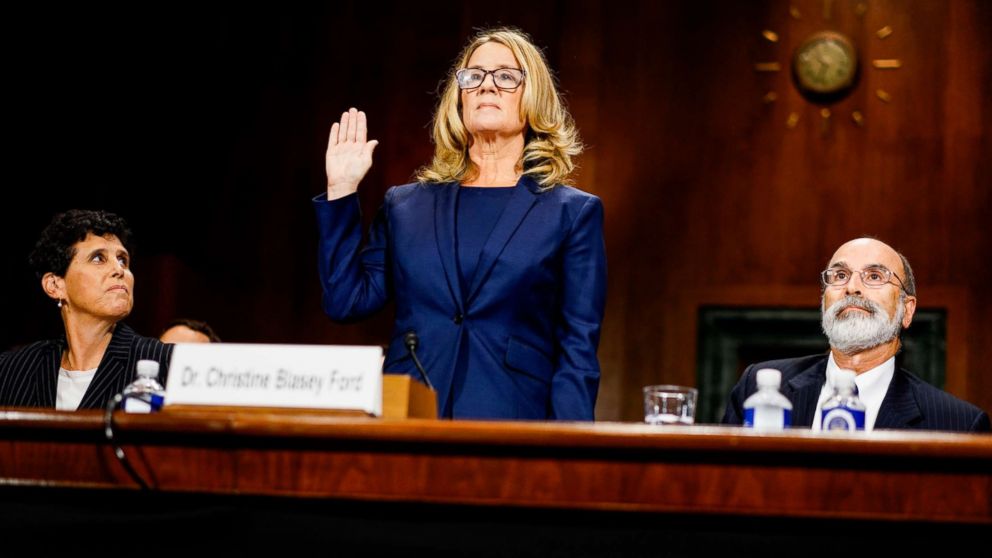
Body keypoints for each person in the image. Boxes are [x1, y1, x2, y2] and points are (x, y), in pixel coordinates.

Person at [313, 28, 606, 420]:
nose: (487, 86)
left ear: (533, 96)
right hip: (410, 417)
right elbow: (346, 301)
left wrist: (570, 453)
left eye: (506, 76)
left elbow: (578, 353)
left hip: (512, 419)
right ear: (459, 97)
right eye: (474, 76)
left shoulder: (572, 213)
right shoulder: (405, 205)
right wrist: (342, 190)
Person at [723, 238, 990, 432]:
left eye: (874, 276)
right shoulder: (760, 387)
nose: (852, 287)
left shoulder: (958, 423)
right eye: (839, 275)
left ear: (907, 311)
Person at [0, 210, 172, 410]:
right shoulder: (12, 370)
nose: (119, 270)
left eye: (122, 260)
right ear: (55, 285)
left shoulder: (166, 363)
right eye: (98, 258)